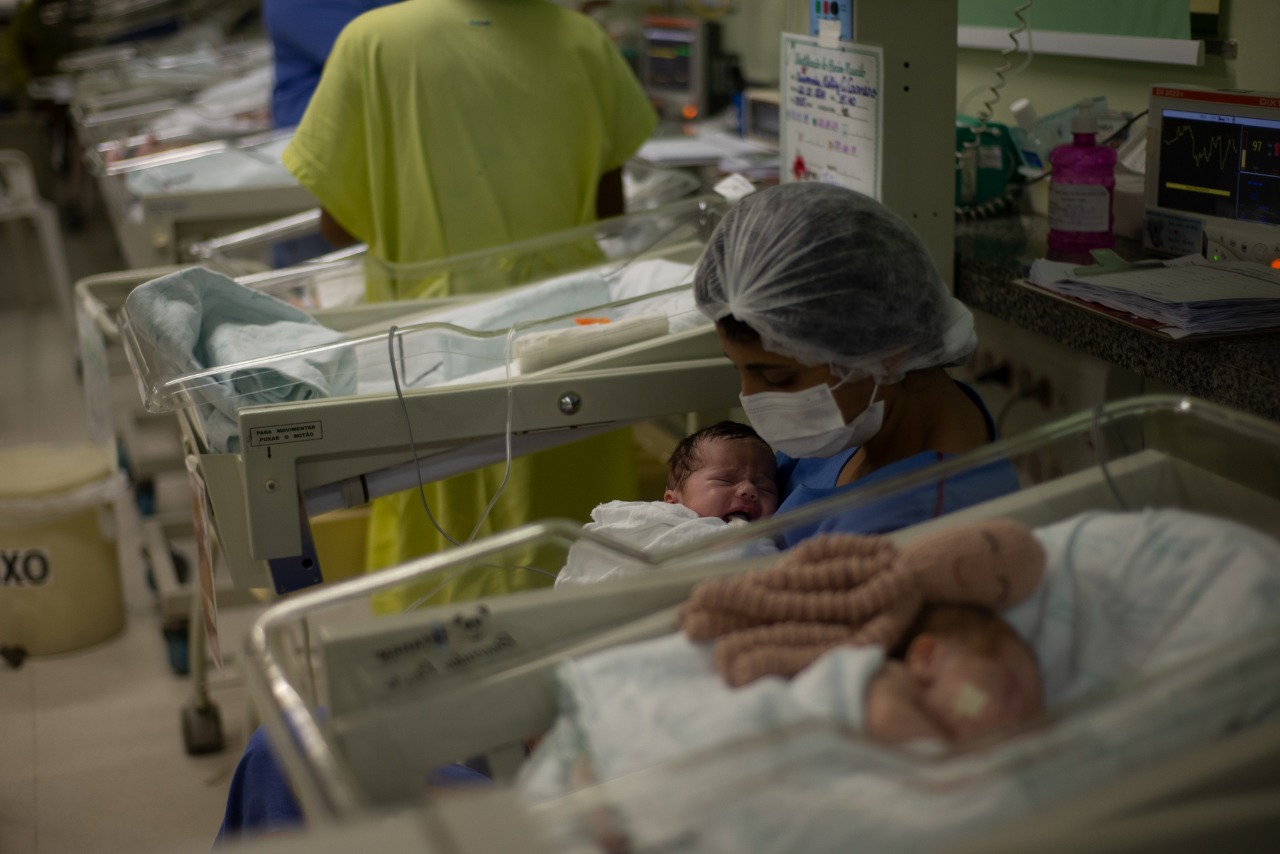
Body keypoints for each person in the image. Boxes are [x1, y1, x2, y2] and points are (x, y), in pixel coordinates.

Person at [278, 0, 660, 602]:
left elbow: (339, 227)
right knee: (577, 553)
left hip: (433, 357)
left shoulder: (374, 42)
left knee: (440, 552)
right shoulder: (584, 40)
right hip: (569, 343)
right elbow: (606, 211)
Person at [693, 182, 1020, 543]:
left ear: (886, 349)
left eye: (779, 377)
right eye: (737, 368)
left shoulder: (916, 526)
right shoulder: (864, 411)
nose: (749, 396)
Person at [556, 421, 780, 587]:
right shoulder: (656, 522)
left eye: (764, 486)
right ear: (673, 500)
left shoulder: (759, 541)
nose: (749, 490)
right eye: (725, 480)